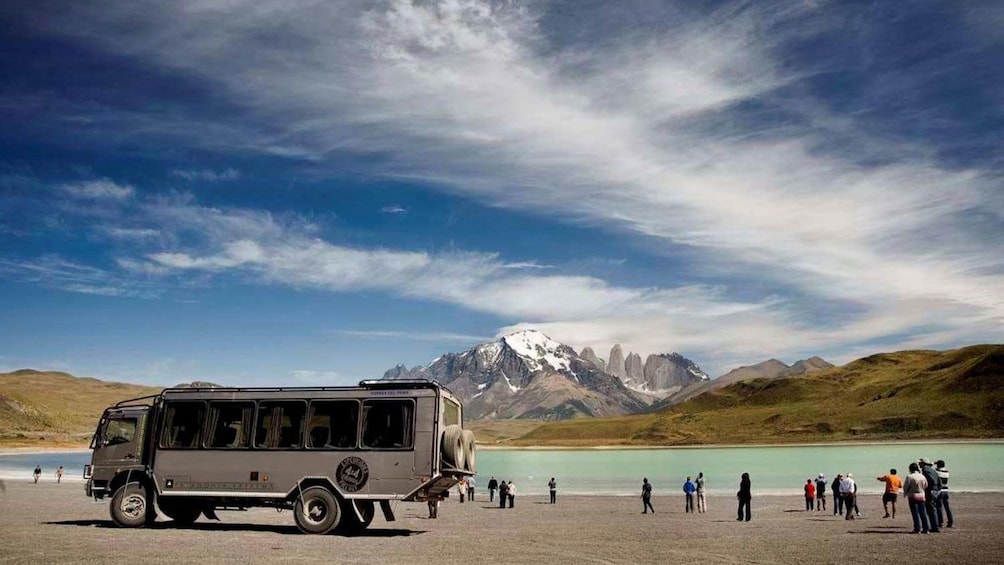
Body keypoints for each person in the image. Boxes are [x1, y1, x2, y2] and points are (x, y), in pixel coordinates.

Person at [903, 462, 930, 534]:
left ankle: (917, 528)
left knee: (915, 513)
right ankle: (926, 528)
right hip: (921, 495)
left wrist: (905, 493)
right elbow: (926, 485)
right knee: (923, 512)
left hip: (913, 496)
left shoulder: (910, 476)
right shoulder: (922, 476)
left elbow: (906, 486)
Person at [919, 458, 941, 532]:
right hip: (935, 490)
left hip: (930, 490)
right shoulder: (933, 470)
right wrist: (938, 489)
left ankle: (935, 527)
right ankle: (935, 525)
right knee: (932, 508)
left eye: (920, 463)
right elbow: (939, 480)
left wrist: (927, 487)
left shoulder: (926, 470)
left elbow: (931, 480)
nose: (919, 464)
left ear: (923, 464)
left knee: (930, 509)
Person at [935, 460, 954, 528]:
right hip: (946, 490)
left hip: (940, 491)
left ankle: (940, 522)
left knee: (939, 507)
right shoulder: (946, 472)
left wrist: (932, 463)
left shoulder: (937, 472)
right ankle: (951, 521)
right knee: (947, 507)